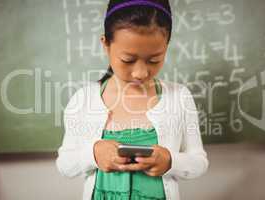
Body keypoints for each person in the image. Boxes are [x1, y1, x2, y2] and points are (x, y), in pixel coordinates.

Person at [56, 0, 209, 200]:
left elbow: (199, 162)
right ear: (106, 44)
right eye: (128, 60)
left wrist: (171, 161)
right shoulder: (83, 100)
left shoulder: (179, 97)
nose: (140, 72)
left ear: (167, 45)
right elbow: (65, 165)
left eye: (154, 60)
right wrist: (93, 154)